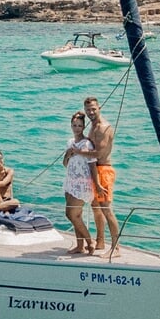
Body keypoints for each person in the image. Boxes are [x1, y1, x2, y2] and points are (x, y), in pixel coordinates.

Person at [84, 96, 119, 255]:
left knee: (106, 209)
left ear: (99, 108)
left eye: (93, 109)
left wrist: (76, 151)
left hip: (103, 170)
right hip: (93, 170)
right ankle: (100, 241)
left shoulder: (104, 127)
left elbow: (99, 152)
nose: (91, 112)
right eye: (88, 110)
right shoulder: (92, 126)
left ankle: (116, 248)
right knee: (95, 207)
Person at [62, 111, 96, 254]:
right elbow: (65, 164)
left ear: (83, 127)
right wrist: (69, 153)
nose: (76, 128)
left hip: (82, 184)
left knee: (70, 214)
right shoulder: (70, 142)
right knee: (77, 216)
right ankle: (79, 246)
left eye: (79, 126)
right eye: (74, 125)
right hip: (70, 182)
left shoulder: (86, 144)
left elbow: (92, 164)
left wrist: (97, 185)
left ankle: (90, 241)